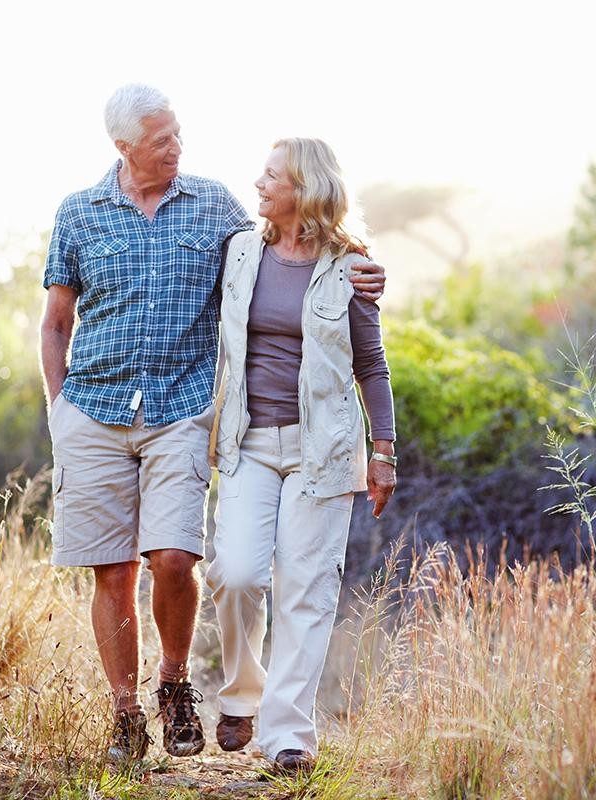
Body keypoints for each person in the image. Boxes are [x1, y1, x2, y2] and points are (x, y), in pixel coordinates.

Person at [39, 86, 385, 763]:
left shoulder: (214, 204)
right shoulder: (78, 214)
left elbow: (290, 251)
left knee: (174, 559)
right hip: (94, 411)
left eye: (177, 134)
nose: (176, 147)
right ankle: (124, 711)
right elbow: (55, 323)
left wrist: (359, 270)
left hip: (181, 411)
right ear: (124, 147)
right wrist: (59, 409)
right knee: (113, 573)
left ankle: (175, 684)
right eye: (161, 140)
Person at [205, 137, 397, 774]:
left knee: (306, 591)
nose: (258, 184)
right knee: (235, 573)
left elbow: (371, 363)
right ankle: (240, 694)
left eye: (271, 176)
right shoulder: (239, 252)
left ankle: (288, 735)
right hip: (249, 442)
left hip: (324, 449)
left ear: (304, 189)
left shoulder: (349, 266)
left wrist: (383, 450)